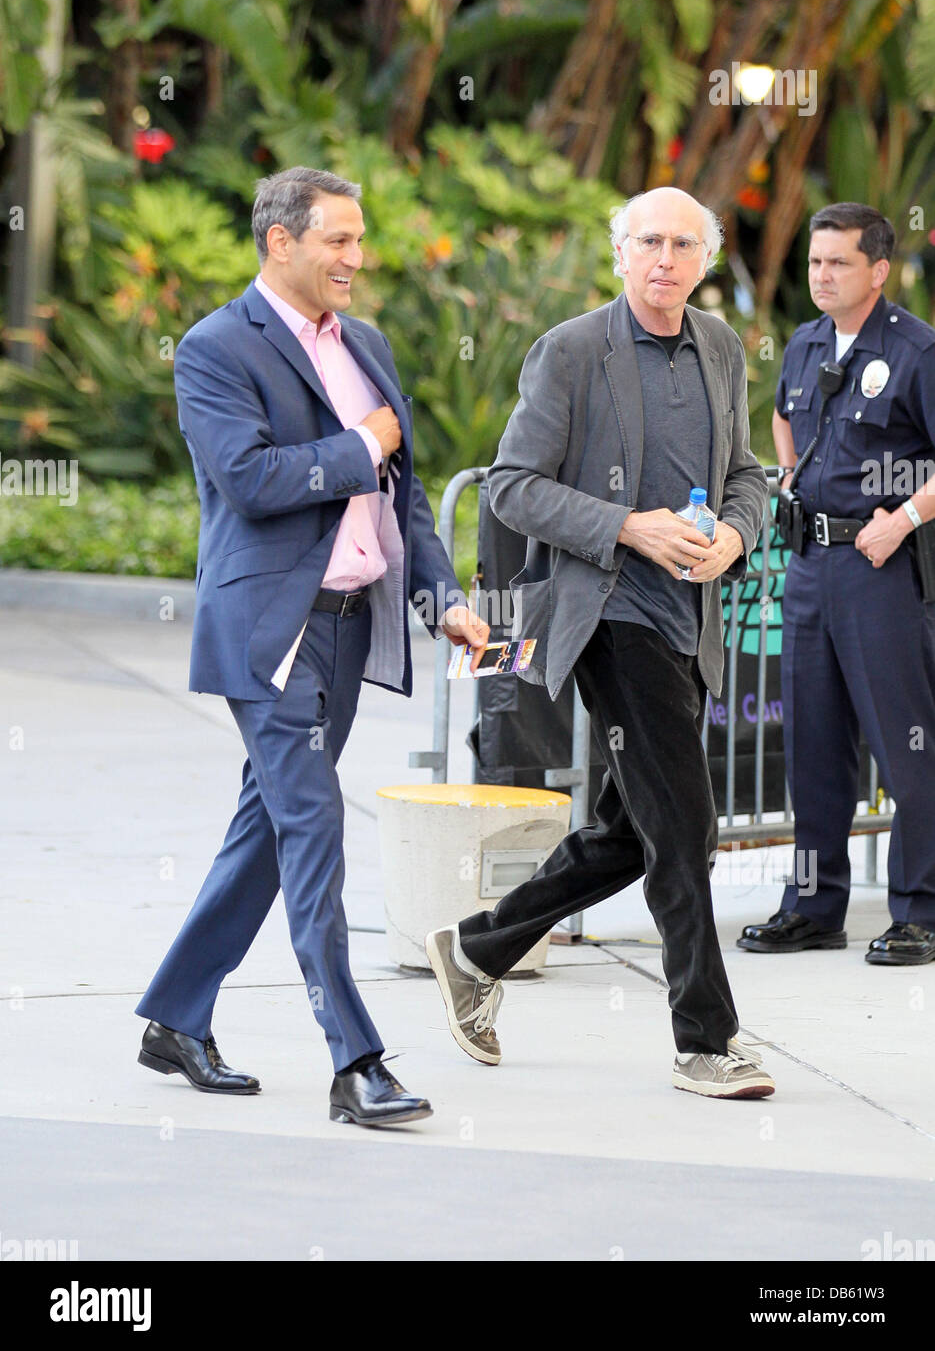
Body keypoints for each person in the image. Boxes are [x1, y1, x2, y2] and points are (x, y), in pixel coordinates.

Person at [135, 167, 489, 1124]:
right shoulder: (215, 348)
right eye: (338, 239)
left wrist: (442, 596)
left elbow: (402, 494)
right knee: (313, 828)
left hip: (345, 632)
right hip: (272, 635)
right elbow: (249, 481)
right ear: (279, 242)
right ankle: (355, 1060)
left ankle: (174, 1018)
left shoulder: (363, 345)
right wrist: (360, 442)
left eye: (359, 239)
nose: (356, 258)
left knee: (266, 832)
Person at [426, 187, 775, 1099]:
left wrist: (736, 536)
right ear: (620, 253)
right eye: (647, 241)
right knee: (687, 830)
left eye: (682, 244)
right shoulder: (574, 350)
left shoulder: (723, 350)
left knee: (637, 829)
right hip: (608, 619)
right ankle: (705, 1040)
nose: (664, 258)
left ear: (705, 259)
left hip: (686, 622)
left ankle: (477, 947)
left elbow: (744, 474)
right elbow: (509, 486)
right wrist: (629, 527)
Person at [739, 202, 935, 964]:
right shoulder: (804, 342)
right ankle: (813, 905)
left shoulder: (916, 349)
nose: (821, 275)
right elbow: (789, 420)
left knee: (904, 744)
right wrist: (787, 472)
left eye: (838, 263)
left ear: (877, 270)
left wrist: (906, 517)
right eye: (814, 263)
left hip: (880, 568)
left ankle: (917, 909)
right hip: (810, 566)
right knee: (812, 745)